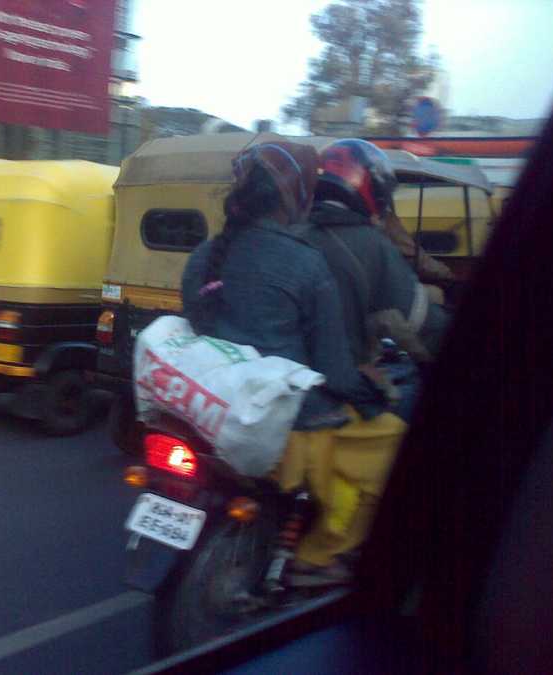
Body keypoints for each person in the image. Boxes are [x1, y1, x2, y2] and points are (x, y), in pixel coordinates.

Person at [181, 142, 406, 588]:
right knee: (393, 444)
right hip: (292, 428)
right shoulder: (306, 264)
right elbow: (336, 373)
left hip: (212, 408)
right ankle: (321, 554)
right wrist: (374, 394)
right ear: (299, 195)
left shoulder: (203, 257)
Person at [305, 139, 452, 368]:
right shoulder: (372, 244)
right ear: (370, 185)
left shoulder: (289, 231)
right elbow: (423, 325)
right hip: (344, 384)